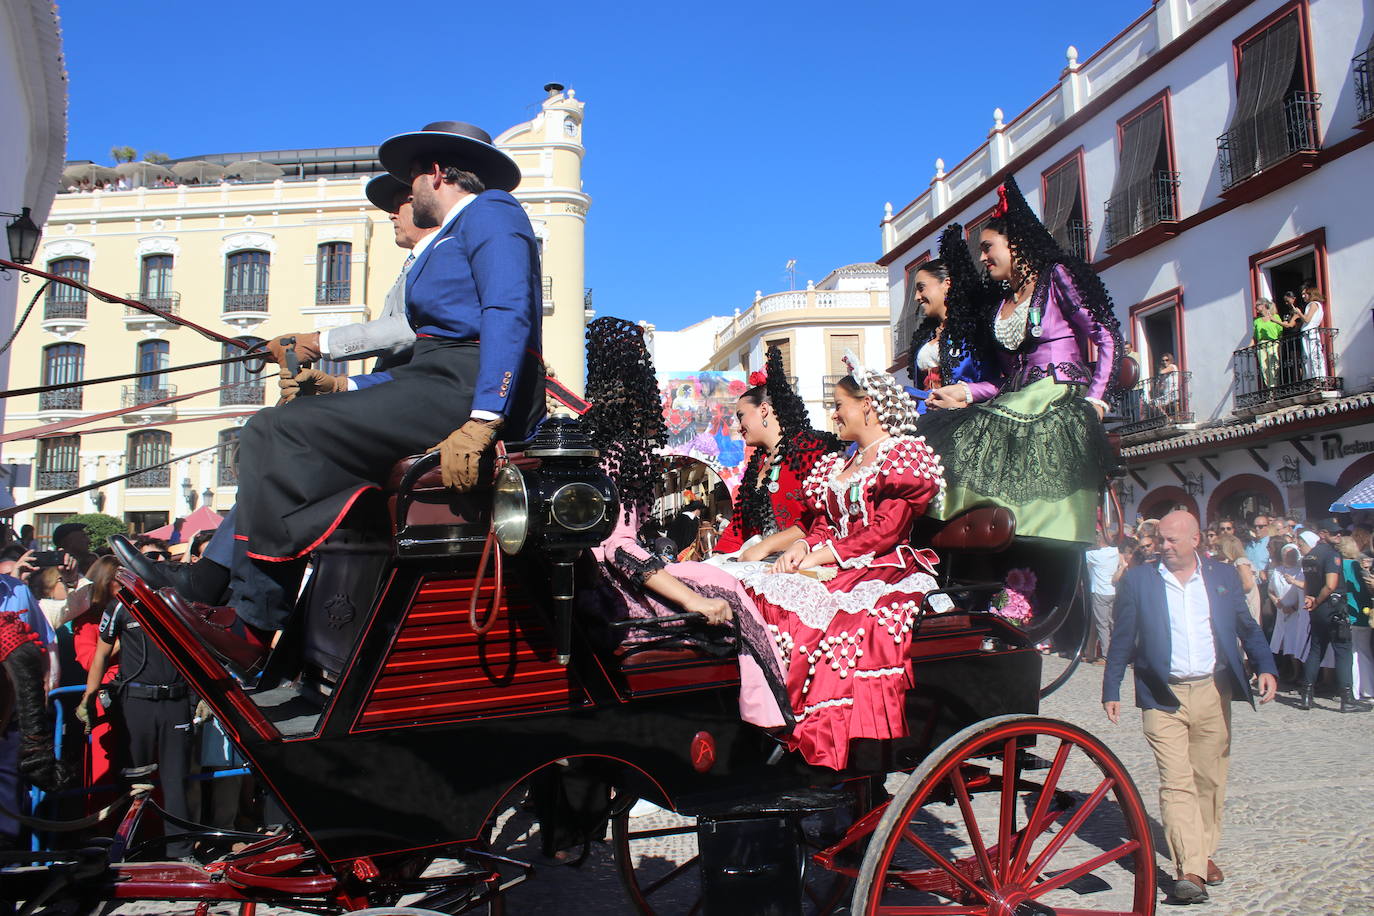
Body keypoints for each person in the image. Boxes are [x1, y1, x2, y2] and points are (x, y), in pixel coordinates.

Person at [158, 122, 546, 677]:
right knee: (289, 425)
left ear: (436, 174)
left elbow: (509, 314)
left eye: (410, 180)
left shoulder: (492, 212)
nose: (405, 196)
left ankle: (248, 624)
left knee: (276, 431)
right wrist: (343, 388)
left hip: (468, 384)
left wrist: (485, 419)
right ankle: (235, 607)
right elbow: (417, 359)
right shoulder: (447, 241)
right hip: (441, 381)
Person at [742, 359, 947, 770]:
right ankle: (777, 717)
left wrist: (821, 555)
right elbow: (822, 526)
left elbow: (887, 531)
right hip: (840, 567)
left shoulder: (900, 455)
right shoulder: (840, 463)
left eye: (839, 404)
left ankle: (826, 737)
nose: (833, 413)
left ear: (868, 406)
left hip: (885, 568)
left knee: (839, 624)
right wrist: (803, 550)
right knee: (761, 589)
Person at [919, 176, 1122, 546]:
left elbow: (1105, 335)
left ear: (1015, 244)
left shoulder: (1056, 277)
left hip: (1058, 393)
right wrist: (965, 393)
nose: (982, 257)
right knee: (947, 428)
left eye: (988, 247)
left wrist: (1096, 399)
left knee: (980, 429)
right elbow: (1003, 381)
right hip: (1018, 399)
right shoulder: (1000, 306)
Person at [1102, 510, 1277, 904]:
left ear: (1196, 540)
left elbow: (1247, 627)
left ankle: (1204, 851)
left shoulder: (1221, 577)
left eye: (1171, 541)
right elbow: (1123, 637)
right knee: (1176, 781)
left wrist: (1266, 667)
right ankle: (1191, 871)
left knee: (1209, 779)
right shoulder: (1140, 580)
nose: (1162, 547)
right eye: (1159, 540)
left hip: (1214, 691)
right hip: (1162, 695)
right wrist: (1111, 686)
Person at [265, 173, 436, 375]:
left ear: (430, 205)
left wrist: (317, 343)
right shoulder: (416, 262)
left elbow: (411, 328)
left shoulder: (440, 257)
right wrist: (339, 386)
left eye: (402, 203)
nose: (392, 214)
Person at [82, 560, 195, 858]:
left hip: (177, 702)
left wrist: (203, 699)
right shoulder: (120, 606)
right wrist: (89, 698)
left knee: (176, 781)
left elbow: (200, 653)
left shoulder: (181, 605)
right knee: (133, 780)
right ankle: (126, 848)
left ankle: (181, 852)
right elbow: (101, 655)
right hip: (136, 702)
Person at [714, 345, 844, 560]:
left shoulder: (812, 448)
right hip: (759, 560)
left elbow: (822, 517)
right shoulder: (757, 463)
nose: (739, 426)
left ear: (763, 409)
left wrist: (766, 546)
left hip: (803, 559)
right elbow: (739, 525)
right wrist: (716, 558)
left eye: (741, 416)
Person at [906, 224, 996, 405]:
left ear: (947, 283)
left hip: (966, 416)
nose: (917, 297)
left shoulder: (976, 328)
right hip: (925, 418)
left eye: (921, 288)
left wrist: (963, 400)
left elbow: (999, 379)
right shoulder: (927, 335)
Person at [1298, 519, 1370, 712]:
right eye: (1334, 533)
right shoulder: (1331, 555)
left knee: (1316, 650)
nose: (1339, 535)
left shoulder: (1309, 556)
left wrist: (1310, 600)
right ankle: (1347, 699)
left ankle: (1306, 696)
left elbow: (1307, 583)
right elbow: (1330, 585)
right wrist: (1318, 600)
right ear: (1322, 534)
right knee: (1343, 650)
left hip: (1317, 609)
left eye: (1339, 532)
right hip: (1332, 607)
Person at [1336, 535, 1374, 701]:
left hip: (1349, 613)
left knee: (1351, 653)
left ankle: (1353, 690)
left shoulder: (1341, 565)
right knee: (1364, 652)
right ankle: (1368, 689)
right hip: (1363, 612)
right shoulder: (1358, 565)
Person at [1267, 539, 1307, 685]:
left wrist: (1294, 607)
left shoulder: (1300, 571)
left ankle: (1300, 673)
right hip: (1282, 611)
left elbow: (1303, 592)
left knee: (1296, 641)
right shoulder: (1278, 571)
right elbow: (1270, 590)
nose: (1288, 557)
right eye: (1285, 554)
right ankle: (1291, 671)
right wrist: (1277, 602)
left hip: (1297, 612)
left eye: (1291, 554)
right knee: (1286, 643)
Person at [1084, 528, 1122, 664]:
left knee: (1102, 625)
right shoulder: (1115, 552)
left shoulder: (1094, 554)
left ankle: (1106, 655)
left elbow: (1081, 555)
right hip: (1113, 591)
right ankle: (1090, 652)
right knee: (1107, 623)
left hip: (1100, 592)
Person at [1214, 533, 1260, 623]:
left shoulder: (1241, 562)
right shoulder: (1229, 564)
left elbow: (1248, 585)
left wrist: (1228, 591)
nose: (1217, 550)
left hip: (1245, 604)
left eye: (1219, 548)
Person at [1297, 282, 1327, 380]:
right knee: (1311, 356)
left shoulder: (1313, 304)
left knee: (1311, 356)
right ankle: (1315, 378)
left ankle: (1315, 379)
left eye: (1305, 294)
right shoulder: (1317, 305)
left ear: (1311, 294)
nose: (1303, 296)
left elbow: (1307, 319)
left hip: (1310, 333)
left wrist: (1299, 313)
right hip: (1310, 332)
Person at [1251, 299, 1282, 388]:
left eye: (1257, 305)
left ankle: (1274, 388)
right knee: (1264, 368)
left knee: (1273, 367)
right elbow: (1255, 337)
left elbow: (1280, 332)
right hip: (1261, 345)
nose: (1255, 307)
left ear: (1264, 305)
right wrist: (1247, 347)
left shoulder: (1275, 317)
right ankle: (1270, 390)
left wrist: (1279, 344)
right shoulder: (1257, 321)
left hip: (1273, 343)